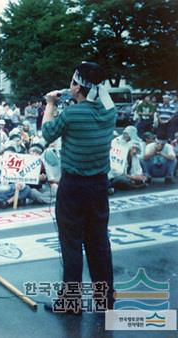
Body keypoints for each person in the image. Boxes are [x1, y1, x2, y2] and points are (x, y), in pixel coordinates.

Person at [42, 61, 117, 313]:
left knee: (71, 243)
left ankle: (71, 302)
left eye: (73, 82)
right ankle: (105, 300)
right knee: (99, 243)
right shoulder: (110, 112)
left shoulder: (72, 114)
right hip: (99, 186)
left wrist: (51, 103)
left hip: (73, 186)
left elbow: (47, 133)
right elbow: (102, 97)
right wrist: (91, 83)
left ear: (77, 87)